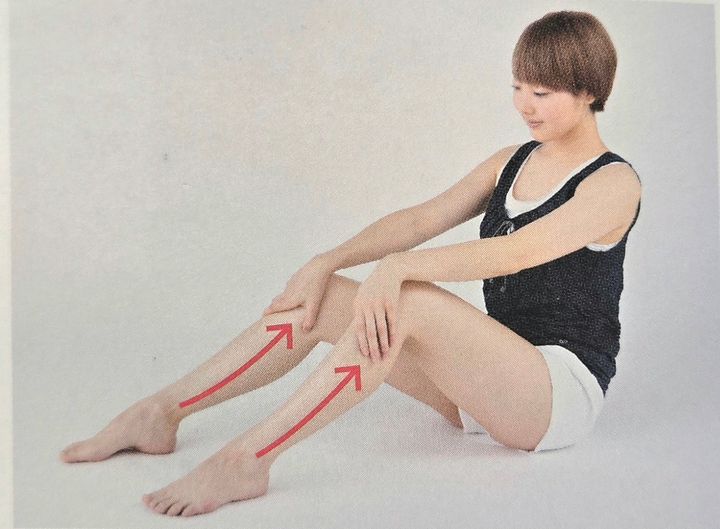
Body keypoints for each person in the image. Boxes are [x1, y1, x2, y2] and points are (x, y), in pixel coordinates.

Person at [59, 10, 642, 517]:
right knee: (328, 297)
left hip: (554, 395)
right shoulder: (511, 160)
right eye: (517, 88)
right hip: (482, 383)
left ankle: (247, 460)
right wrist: (328, 259)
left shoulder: (613, 183)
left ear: (588, 90)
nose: (523, 105)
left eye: (542, 93)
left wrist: (400, 268)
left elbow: (519, 250)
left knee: (406, 298)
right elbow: (420, 219)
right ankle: (161, 413)